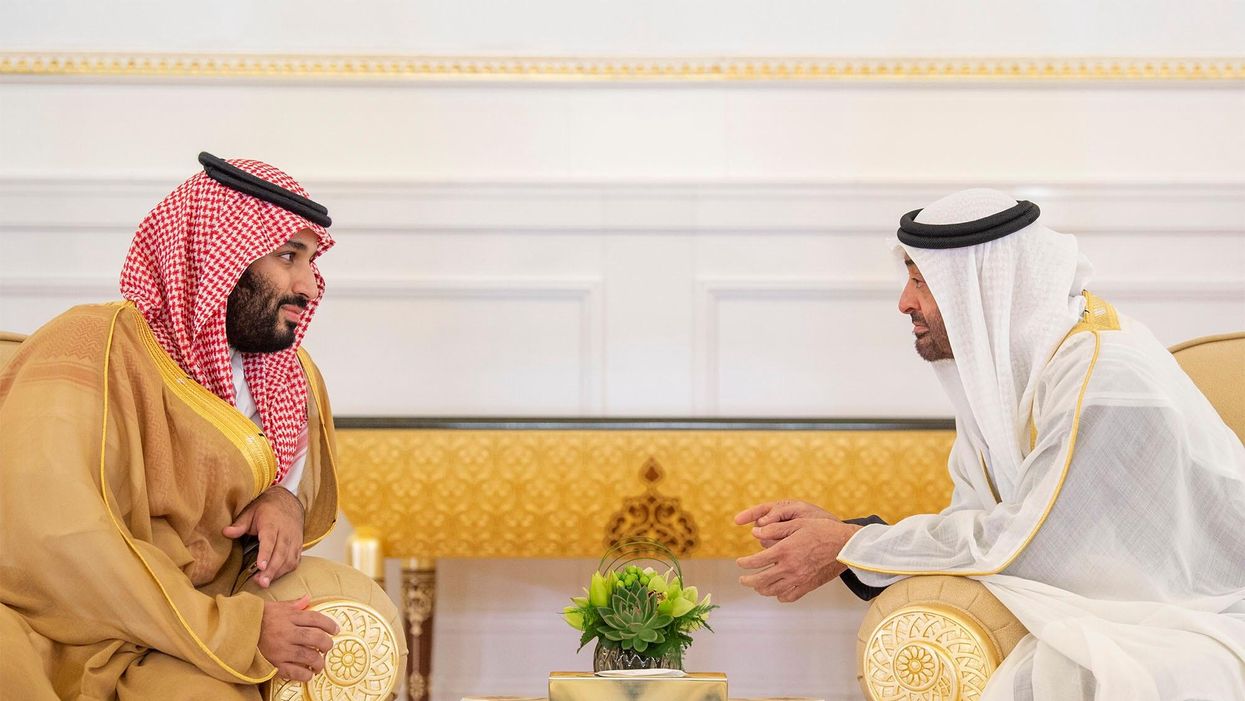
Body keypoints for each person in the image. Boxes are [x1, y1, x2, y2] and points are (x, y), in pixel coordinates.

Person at [735, 189, 1245, 699]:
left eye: (920, 282)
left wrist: (852, 544)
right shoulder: (1019, 375)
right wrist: (850, 535)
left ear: (981, 289)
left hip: (1188, 612)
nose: (904, 302)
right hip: (1107, 601)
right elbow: (984, 524)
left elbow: (1029, 542)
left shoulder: (1102, 375)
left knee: (1061, 670)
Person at [1, 153, 354, 699]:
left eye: (311, 261)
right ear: (213, 255)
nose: (309, 285)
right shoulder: (90, 344)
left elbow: (271, 497)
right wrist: (234, 630)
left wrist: (284, 502)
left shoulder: (285, 378)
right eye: (288, 256)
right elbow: (56, 539)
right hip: (49, 622)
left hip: (174, 641)